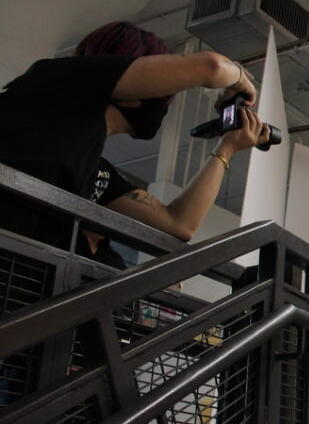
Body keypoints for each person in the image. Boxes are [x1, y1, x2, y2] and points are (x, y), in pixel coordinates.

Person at [0, 21, 269, 252]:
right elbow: (212, 67)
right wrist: (240, 79)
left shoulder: (91, 172)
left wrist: (226, 150)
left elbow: (179, 224)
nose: (164, 102)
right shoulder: (52, 80)